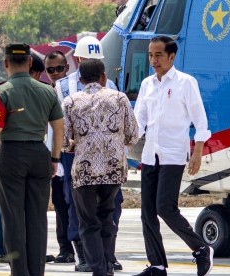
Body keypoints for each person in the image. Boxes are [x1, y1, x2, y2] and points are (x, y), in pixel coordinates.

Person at [133, 36, 213, 276]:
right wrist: (124, 143)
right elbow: (139, 122)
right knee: (147, 211)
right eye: (150, 55)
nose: (153, 60)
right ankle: (157, 265)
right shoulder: (147, 84)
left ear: (171, 56)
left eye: (158, 55)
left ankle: (200, 248)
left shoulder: (185, 83)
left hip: (173, 155)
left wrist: (197, 151)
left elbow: (200, 120)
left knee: (165, 208)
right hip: (150, 155)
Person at [0, 43, 64, 276]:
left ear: (6, 63)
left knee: (13, 217)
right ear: (30, 63)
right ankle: (36, 270)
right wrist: (55, 158)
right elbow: (59, 128)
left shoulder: (1, 91)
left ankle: (20, 272)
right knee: (37, 217)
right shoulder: (47, 90)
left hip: (11, 154)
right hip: (40, 154)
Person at [63, 59, 138, 276]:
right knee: (107, 216)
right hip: (113, 168)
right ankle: (108, 266)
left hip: (84, 171)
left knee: (87, 222)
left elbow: (65, 141)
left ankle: (99, 270)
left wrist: (78, 142)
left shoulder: (70, 101)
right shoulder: (119, 98)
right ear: (103, 77)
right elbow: (133, 134)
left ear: (80, 79)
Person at [55, 36, 123, 272]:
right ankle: (83, 254)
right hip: (75, 154)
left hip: (106, 156)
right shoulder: (63, 87)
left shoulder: (112, 86)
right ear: (79, 58)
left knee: (113, 205)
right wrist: (57, 156)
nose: (93, 63)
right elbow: (55, 125)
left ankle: (107, 255)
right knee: (78, 208)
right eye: (89, 58)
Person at [43, 50, 75, 264]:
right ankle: (65, 247)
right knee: (59, 202)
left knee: (74, 203)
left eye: (59, 68)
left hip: (71, 155)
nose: (55, 73)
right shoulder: (45, 93)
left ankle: (77, 246)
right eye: (50, 70)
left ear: (68, 68)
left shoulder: (74, 92)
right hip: (53, 155)